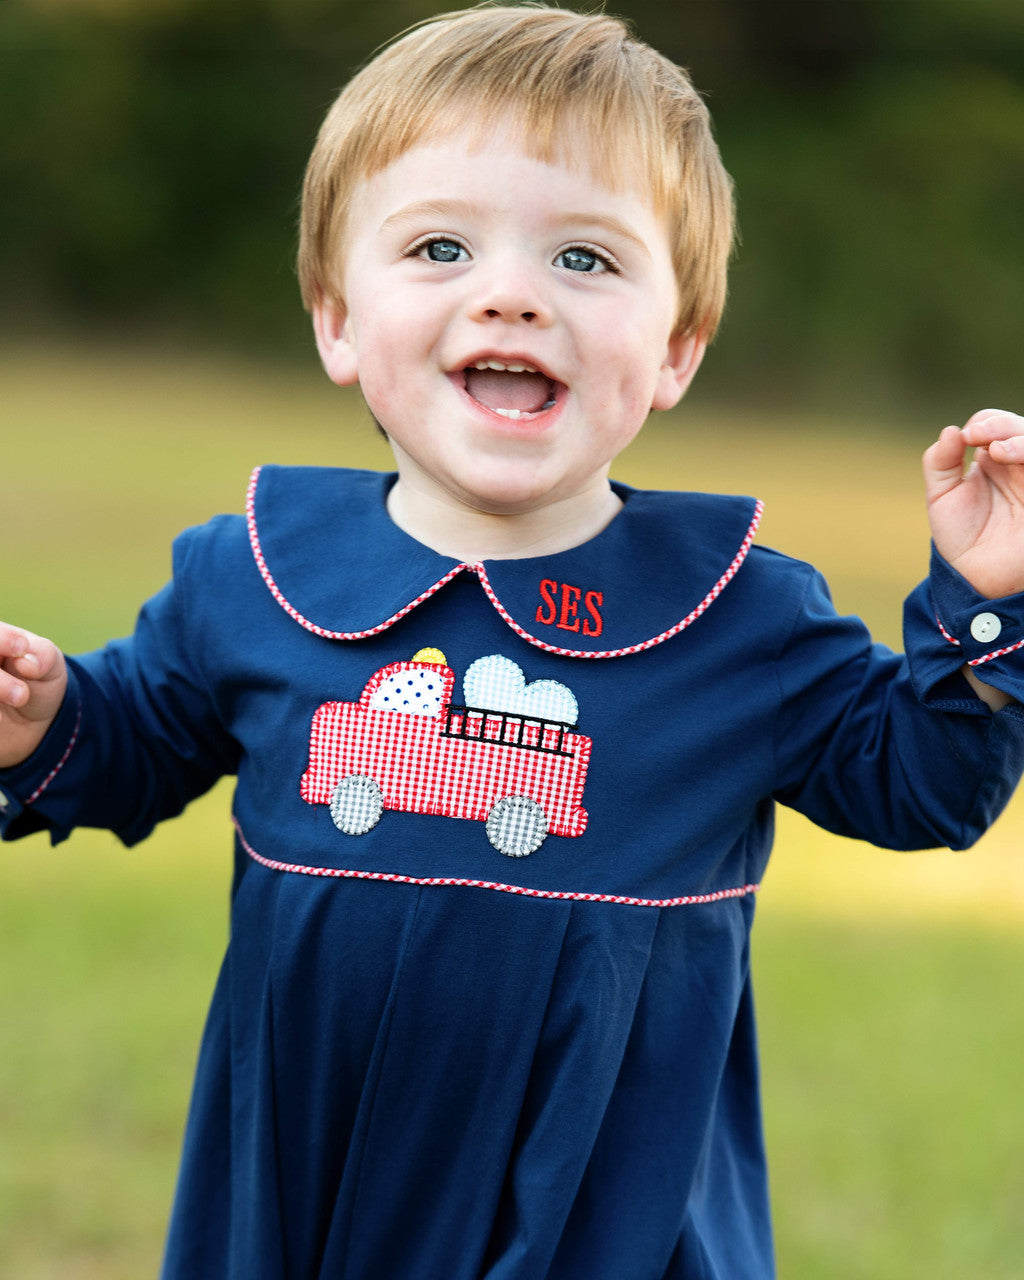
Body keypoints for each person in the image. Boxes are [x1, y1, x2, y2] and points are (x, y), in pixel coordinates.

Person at [2, 6, 1023, 1277]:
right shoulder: (255, 573)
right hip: (313, 1192)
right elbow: (137, 738)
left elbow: (920, 786)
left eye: (585, 261)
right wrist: (47, 720)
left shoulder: (740, 616)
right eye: (438, 245)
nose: (509, 293)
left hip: (607, 1213)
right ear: (335, 320)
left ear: (676, 349)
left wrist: (985, 606)